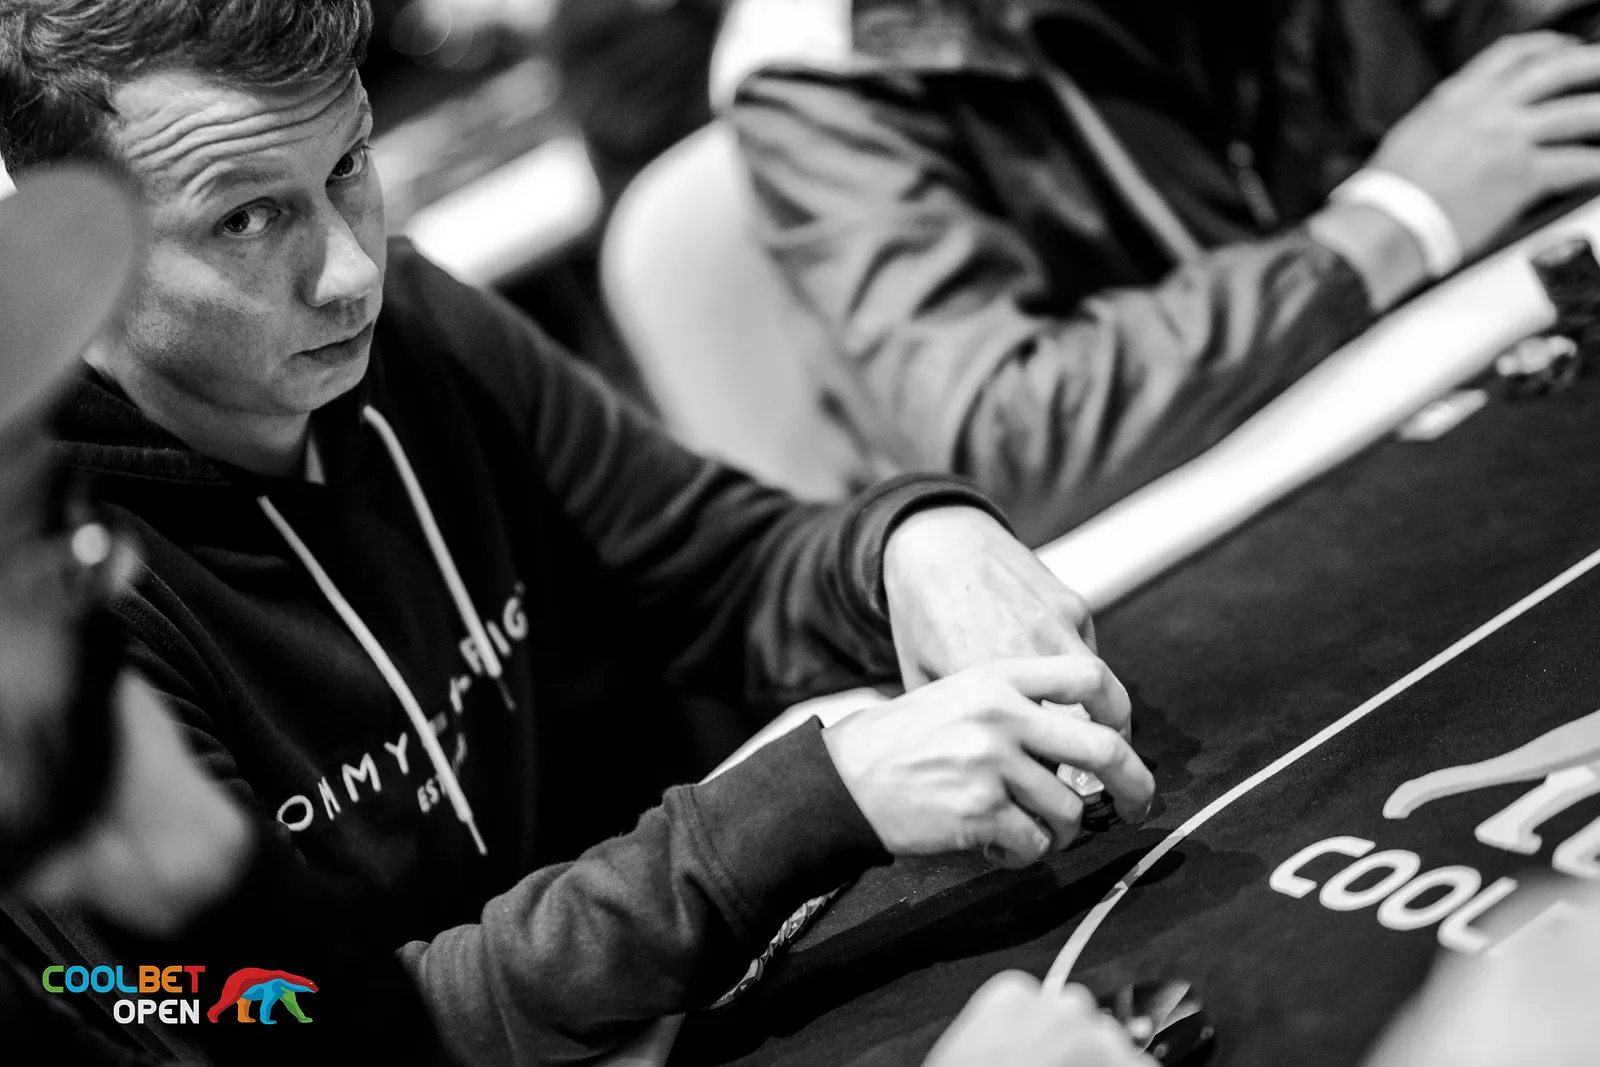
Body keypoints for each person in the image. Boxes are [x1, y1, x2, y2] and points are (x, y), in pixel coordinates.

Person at [0, 2, 1153, 1064]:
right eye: (245, 217)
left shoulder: (416, 323)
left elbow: (719, 567)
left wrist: (909, 543)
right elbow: (283, 1019)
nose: (350, 272)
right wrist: (811, 803)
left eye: (347, 163)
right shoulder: (38, 603)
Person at [720, 0, 1600, 543]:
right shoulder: (826, 62)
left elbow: (1556, 61)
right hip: (1199, 551)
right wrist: (1388, 226)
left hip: (1470, 404)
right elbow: (1004, 440)